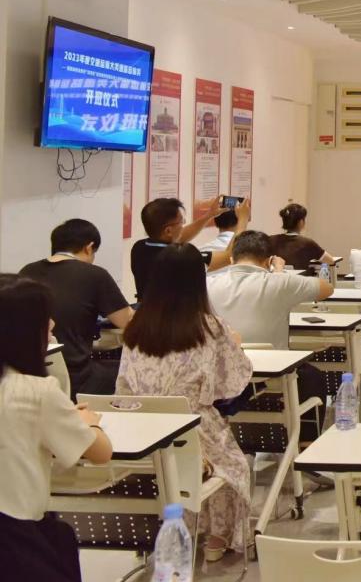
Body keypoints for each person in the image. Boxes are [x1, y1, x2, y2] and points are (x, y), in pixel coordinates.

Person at [116, 245, 254, 561]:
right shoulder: (209, 326)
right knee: (235, 465)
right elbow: (230, 384)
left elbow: (123, 388)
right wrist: (235, 345)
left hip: (143, 432)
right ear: (197, 281)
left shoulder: (136, 327)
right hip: (192, 430)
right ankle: (217, 537)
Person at [0, 275, 113, 581]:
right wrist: (89, 423)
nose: (52, 324)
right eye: (45, 317)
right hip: (17, 536)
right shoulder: (38, 392)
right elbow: (101, 453)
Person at [207, 231, 334, 442]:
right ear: (268, 261)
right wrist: (279, 273)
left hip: (221, 378)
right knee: (313, 377)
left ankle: (245, 441)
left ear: (231, 259)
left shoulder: (208, 283)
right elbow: (326, 288)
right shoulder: (279, 282)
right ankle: (305, 444)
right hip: (274, 377)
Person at [18, 220, 133, 397]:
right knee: (128, 369)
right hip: (77, 376)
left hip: (30, 374)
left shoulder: (27, 271)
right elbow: (128, 322)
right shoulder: (94, 274)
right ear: (89, 247)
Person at [132, 197, 248, 299]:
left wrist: (209, 215)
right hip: (177, 316)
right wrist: (242, 220)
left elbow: (179, 236)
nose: (183, 225)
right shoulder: (183, 257)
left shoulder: (139, 248)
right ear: (168, 231)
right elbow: (229, 256)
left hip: (146, 311)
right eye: (181, 222)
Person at [270, 203, 335, 271]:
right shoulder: (308, 243)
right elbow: (331, 261)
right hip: (300, 278)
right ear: (301, 222)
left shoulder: (271, 240)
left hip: (278, 277)